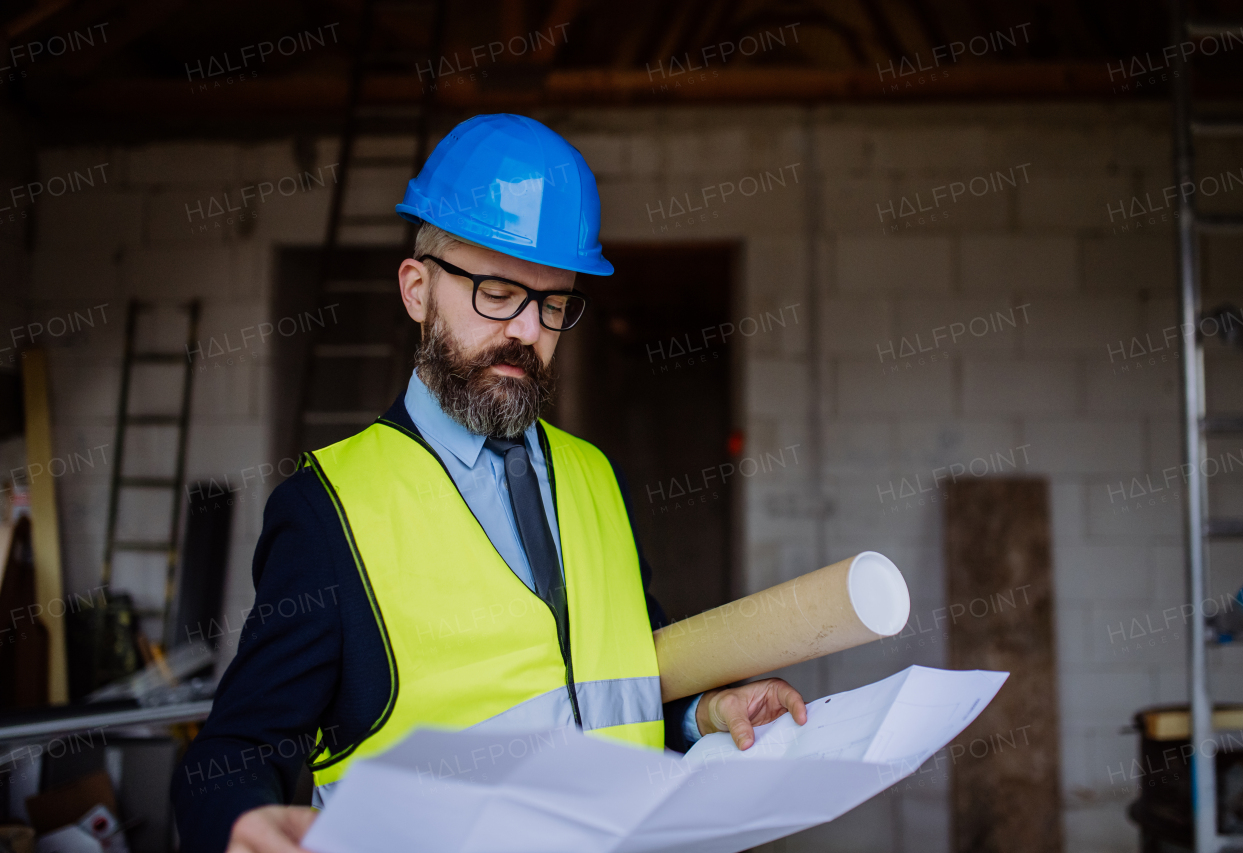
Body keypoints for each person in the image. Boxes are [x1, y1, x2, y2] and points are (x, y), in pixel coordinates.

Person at [170, 113, 807, 853]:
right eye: (498, 291)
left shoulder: (597, 479)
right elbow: (235, 749)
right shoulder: (328, 511)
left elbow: (619, 685)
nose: (527, 332)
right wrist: (243, 817)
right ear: (417, 289)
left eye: (553, 302)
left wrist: (707, 709)